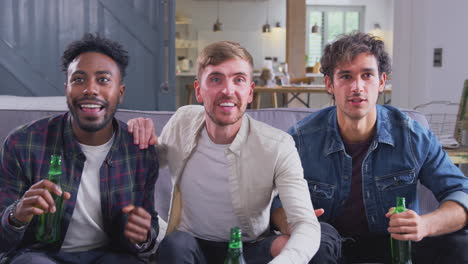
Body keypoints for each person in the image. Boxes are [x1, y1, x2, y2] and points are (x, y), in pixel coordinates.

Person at [271, 32, 468, 263]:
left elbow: (461, 191)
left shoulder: (413, 136)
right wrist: (293, 222)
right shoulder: (301, 139)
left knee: (462, 244)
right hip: (329, 244)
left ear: (382, 81)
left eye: (367, 75)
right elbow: (274, 199)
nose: (357, 87)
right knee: (315, 239)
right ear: (329, 84)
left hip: (395, 241)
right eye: (346, 76)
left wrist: (425, 224)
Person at [128, 41, 320, 263]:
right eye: (216, 79)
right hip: (192, 245)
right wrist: (135, 132)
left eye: (238, 80)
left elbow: (305, 222)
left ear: (250, 92)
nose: (228, 91)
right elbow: (151, 160)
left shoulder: (278, 145)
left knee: (305, 242)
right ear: (199, 91)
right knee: (175, 243)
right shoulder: (183, 120)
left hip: (249, 246)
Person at [0, 33, 159, 264]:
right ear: (67, 89)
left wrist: (144, 236)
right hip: (40, 255)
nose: (90, 90)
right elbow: (3, 241)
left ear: (120, 92)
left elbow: (149, 235)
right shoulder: (23, 143)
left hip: (112, 256)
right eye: (79, 79)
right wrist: (17, 215)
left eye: (103, 80)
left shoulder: (139, 150)